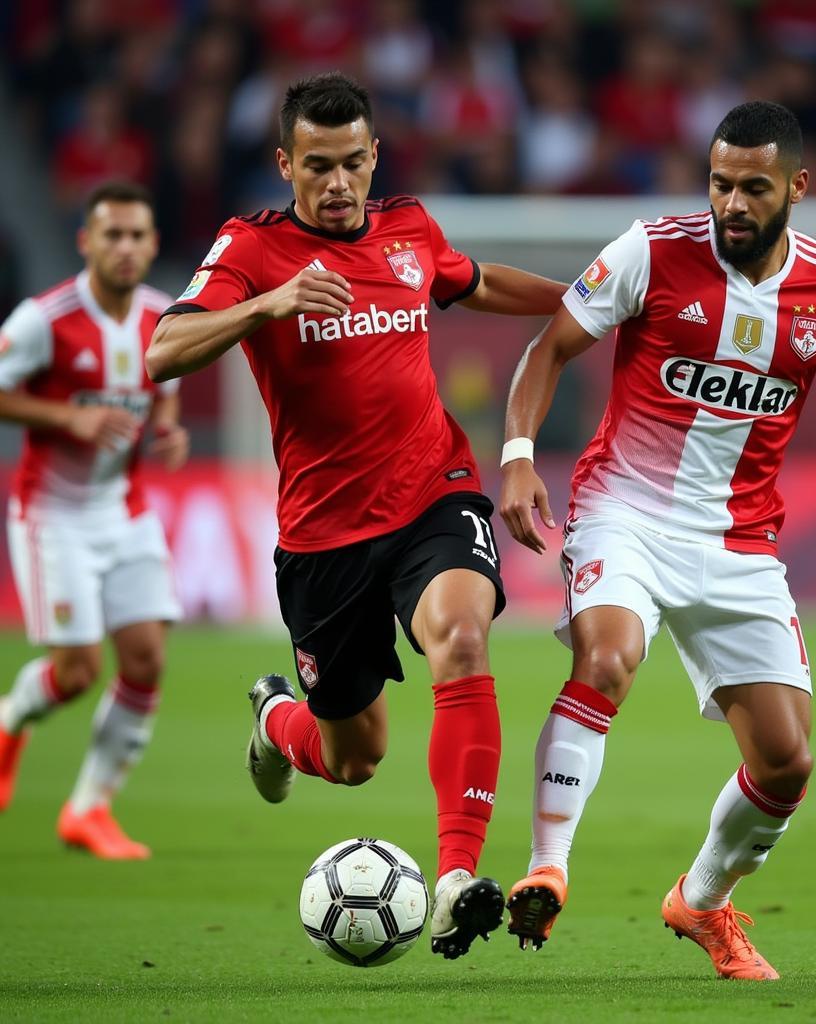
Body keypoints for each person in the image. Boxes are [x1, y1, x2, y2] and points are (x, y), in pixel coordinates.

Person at [498, 101, 816, 980]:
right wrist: (515, 455)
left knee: (786, 762)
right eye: (720, 183)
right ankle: (549, 865)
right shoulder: (650, 251)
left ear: (797, 189)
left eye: (754, 188)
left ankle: (700, 902)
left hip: (739, 543)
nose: (732, 204)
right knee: (608, 658)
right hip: (624, 511)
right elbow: (550, 349)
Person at [146, 72, 565, 960]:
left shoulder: (410, 228)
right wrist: (269, 303)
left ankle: (456, 876)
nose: (337, 185)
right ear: (285, 164)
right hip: (323, 536)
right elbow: (163, 349)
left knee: (462, 636)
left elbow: (476, 281)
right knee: (352, 757)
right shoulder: (250, 249)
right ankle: (273, 721)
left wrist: (589, 304)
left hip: (431, 492)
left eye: (352, 165)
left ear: (374, 157)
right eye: (317, 167)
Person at [0, 181, 189, 859]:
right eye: (112, 235)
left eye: (138, 235)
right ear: (86, 242)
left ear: (153, 244)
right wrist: (66, 415)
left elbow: (164, 393)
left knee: (146, 659)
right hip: (52, 514)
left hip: (125, 511)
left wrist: (167, 433)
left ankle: (89, 808)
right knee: (76, 671)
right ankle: (10, 720)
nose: (126, 247)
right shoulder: (43, 320)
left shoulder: (164, 318)